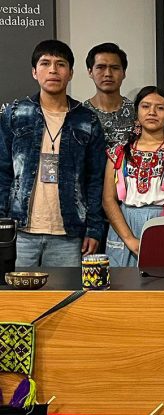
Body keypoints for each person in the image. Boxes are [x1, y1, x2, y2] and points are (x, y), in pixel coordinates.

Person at [0, 40, 107, 266]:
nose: (53, 70)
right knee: (15, 290)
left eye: (60, 64)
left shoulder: (87, 120)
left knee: (65, 290)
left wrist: (94, 228)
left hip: (68, 232)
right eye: (45, 63)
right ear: (34, 72)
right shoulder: (15, 114)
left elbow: (95, 180)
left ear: (70, 73)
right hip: (20, 231)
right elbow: (3, 172)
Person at [103, 86, 164, 267]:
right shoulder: (119, 152)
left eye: (160, 108)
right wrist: (130, 239)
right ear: (137, 112)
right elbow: (108, 200)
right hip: (124, 226)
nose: (152, 112)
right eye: (145, 106)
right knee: (123, 283)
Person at [83, 42, 135, 147]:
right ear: (90, 72)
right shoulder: (81, 114)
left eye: (115, 68)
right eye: (100, 67)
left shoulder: (137, 112)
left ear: (124, 73)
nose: (108, 74)